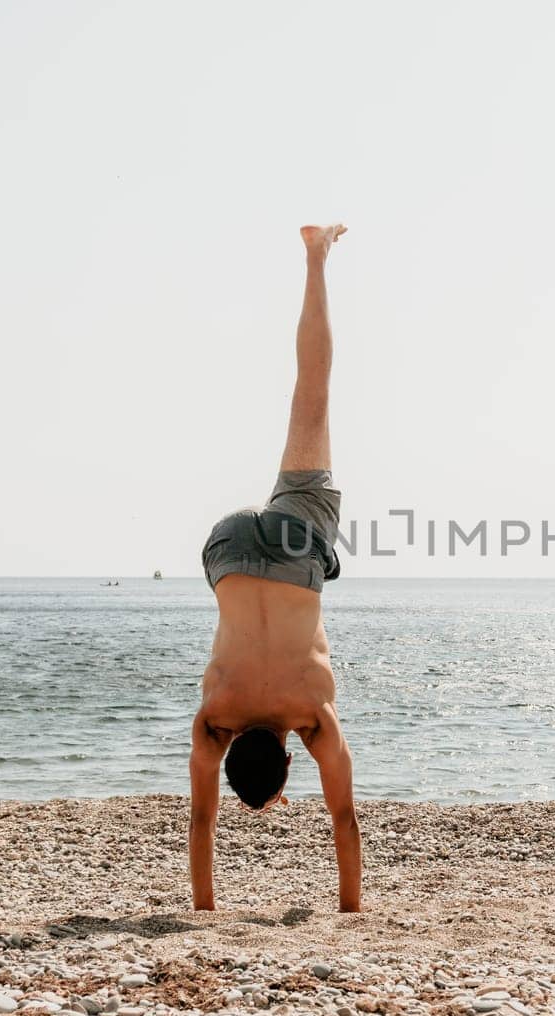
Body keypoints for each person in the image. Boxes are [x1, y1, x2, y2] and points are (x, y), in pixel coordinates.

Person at [187, 224, 360, 912]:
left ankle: (316, 255)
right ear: (232, 757)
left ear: (290, 765)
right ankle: (314, 254)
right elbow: (201, 821)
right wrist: (202, 908)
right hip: (227, 548)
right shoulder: (212, 720)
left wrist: (351, 908)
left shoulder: (313, 715)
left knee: (312, 391)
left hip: (295, 548)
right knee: (305, 392)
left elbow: (344, 819)